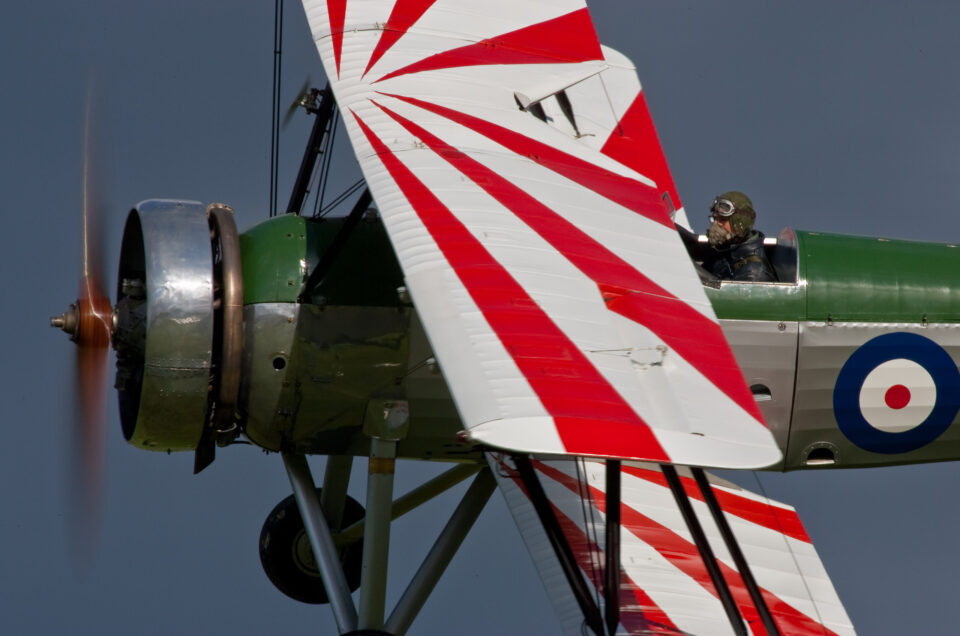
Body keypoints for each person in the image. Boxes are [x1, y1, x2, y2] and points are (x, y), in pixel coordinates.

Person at [701, 191, 776, 282]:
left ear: (739, 223)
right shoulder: (722, 253)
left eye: (722, 220)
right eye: (715, 219)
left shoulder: (754, 273)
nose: (716, 224)